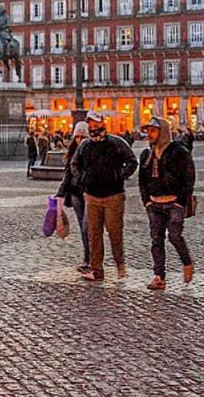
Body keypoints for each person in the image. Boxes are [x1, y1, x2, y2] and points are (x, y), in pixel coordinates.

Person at [70, 111, 138, 282]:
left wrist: (119, 175)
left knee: (115, 232)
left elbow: (132, 160)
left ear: (102, 124)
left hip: (113, 195)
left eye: (95, 124)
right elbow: (74, 164)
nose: (92, 128)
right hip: (92, 196)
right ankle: (96, 269)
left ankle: (120, 264)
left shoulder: (116, 143)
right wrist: (81, 180)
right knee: (94, 234)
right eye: (90, 125)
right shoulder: (85, 145)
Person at [137, 116, 195, 290]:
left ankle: (187, 262)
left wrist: (181, 202)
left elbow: (189, 177)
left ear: (163, 132)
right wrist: (146, 201)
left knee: (175, 236)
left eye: (153, 131)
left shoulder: (178, 151)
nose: (149, 134)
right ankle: (159, 276)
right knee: (156, 240)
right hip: (154, 203)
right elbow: (142, 180)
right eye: (148, 131)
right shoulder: (146, 154)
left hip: (173, 202)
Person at [56, 122, 92, 275]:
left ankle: (92, 258)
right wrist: (60, 194)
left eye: (82, 136)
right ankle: (87, 257)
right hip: (76, 194)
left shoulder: (92, 151)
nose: (79, 139)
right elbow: (68, 175)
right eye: (77, 136)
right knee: (83, 229)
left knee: (87, 227)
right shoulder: (72, 152)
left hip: (90, 194)